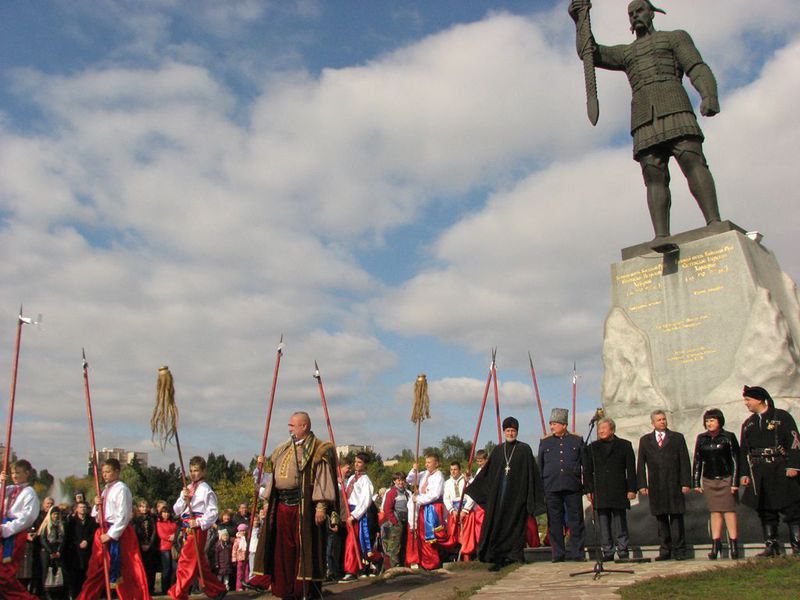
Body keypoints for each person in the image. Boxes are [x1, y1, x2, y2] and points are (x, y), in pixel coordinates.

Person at [568, 0, 721, 241]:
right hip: (643, 116)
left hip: (674, 106)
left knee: (693, 162)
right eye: (630, 14)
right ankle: (661, 236)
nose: (635, 17)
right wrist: (579, 20)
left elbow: (696, 67)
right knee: (653, 175)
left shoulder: (675, 38)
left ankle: (714, 221)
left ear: (651, 13)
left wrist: (708, 94)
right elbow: (590, 53)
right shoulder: (627, 52)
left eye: (639, 11)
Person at [250, 411, 339, 600]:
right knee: (283, 550)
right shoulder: (282, 449)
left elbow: (323, 480)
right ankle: (286, 589)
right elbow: (273, 478)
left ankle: (305, 590)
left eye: (292, 425)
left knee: (304, 550)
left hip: (304, 507)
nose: (289, 428)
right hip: (282, 505)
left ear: (304, 426)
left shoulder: (318, 449)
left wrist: (321, 507)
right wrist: (267, 501)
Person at [465, 416, 545, 571]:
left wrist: (531, 496)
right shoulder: (498, 450)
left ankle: (514, 555)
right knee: (499, 526)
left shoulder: (524, 449)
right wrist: (472, 485)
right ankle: (498, 555)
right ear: (504, 432)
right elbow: (487, 474)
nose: (510, 433)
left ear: (517, 432)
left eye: (513, 431)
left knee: (515, 527)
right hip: (500, 497)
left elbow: (531, 474)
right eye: (508, 430)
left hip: (517, 498)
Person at [77, 458, 151, 600]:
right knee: (97, 568)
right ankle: (87, 596)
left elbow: (123, 516)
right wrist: (96, 504)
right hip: (104, 530)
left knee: (128, 569)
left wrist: (111, 534)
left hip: (118, 533)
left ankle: (134, 596)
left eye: (108, 472)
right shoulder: (105, 490)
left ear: (117, 472)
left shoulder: (121, 489)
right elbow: (96, 515)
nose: (104, 475)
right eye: (103, 472)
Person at [739, 385, 800, 556]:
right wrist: (745, 473)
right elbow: (744, 451)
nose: (746, 403)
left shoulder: (781, 417)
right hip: (759, 472)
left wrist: (793, 466)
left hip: (780, 468)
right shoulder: (748, 423)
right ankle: (771, 545)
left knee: (791, 508)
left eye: (748, 399)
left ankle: (797, 545)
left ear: (759, 399)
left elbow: (795, 441)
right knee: (765, 509)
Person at [168, 455, 227, 600]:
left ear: (203, 471)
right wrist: (183, 498)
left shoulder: (206, 489)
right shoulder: (187, 488)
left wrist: (200, 522)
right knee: (199, 563)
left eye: (196, 470)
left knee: (186, 561)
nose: (193, 473)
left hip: (197, 529)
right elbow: (176, 510)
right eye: (191, 470)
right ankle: (217, 589)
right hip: (186, 527)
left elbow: (213, 512)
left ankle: (179, 593)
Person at [637, 410, 691, 561]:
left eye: (664, 419)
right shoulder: (646, 440)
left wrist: (686, 482)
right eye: (659, 420)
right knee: (661, 519)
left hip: (674, 483)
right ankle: (665, 549)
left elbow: (684, 461)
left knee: (676, 518)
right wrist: (642, 484)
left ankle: (680, 550)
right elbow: (641, 463)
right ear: (653, 423)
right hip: (656, 485)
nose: (662, 422)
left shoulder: (677, 438)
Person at [584, 417, 637, 562]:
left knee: (620, 520)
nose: (600, 431)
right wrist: (588, 490)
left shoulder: (625, 445)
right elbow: (587, 471)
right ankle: (607, 550)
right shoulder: (592, 448)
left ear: (612, 430)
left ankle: (623, 549)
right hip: (600, 489)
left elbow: (631, 470)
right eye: (599, 429)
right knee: (603, 521)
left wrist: (632, 489)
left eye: (604, 428)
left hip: (619, 488)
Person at [539, 408, 587, 562]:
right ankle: (558, 553)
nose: (552, 427)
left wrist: (587, 487)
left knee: (576, 520)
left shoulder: (576, 440)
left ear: (564, 425)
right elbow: (540, 467)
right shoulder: (545, 442)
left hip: (572, 486)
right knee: (554, 522)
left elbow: (584, 465)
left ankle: (577, 552)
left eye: (555, 424)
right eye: (551, 424)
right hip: (551, 487)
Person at [692, 408, 741, 560]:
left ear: (719, 421)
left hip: (725, 478)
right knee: (714, 511)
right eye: (707, 421)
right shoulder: (702, 438)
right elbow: (698, 460)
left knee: (728, 511)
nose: (709, 423)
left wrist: (734, 482)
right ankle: (716, 544)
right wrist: (696, 481)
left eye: (712, 420)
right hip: (709, 479)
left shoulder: (728, 437)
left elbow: (735, 460)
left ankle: (733, 544)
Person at [0, 459, 40, 600]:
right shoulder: (9, 489)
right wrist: (1, 482)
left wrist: (6, 529)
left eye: (18, 473)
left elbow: (27, 518)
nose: (14, 476)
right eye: (12, 473)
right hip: (3, 530)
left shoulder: (29, 492)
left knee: (5, 574)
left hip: (14, 533)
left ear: (27, 473)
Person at [405, 454, 446, 570]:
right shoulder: (425, 474)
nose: (426, 464)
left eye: (429, 462)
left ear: (436, 463)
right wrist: (414, 469)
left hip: (432, 507)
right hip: (423, 506)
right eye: (426, 462)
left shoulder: (439, 476)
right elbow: (410, 480)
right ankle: (424, 560)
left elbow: (434, 495)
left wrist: (418, 499)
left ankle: (432, 562)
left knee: (431, 535)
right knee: (422, 535)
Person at [340, 452, 376, 581]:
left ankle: (351, 569)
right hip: (349, 510)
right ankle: (353, 567)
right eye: (355, 461)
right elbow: (346, 493)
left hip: (357, 514)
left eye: (359, 462)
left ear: (365, 465)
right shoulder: (351, 478)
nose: (356, 464)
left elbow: (365, 501)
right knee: (348, 541)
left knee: (353, 541)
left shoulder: (365, 481)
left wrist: (355, 515)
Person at [63, 500, 97, 598]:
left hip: (88, 552)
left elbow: (94, 533)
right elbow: (69, 536)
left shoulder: (91, 521)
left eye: (84, 507)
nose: (83, 509)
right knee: (76, 576)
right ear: (77, 509)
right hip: (75, 553)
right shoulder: (72, 521)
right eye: (81, 507)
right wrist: (78, 543)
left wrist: (87, 541)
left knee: (87, 575)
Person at [441, 461, 473, 557]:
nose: (453, 471)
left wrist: (465, 510)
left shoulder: (466, 480)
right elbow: (446, 498)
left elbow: (472, 496)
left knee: (466, 533)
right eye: (451, 470)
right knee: (454, 532)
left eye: (455, 469)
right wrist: (452, 510)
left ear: (459, 470)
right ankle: (456, 553)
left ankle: (468, 554)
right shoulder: (447, 483)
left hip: (465, 510)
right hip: (454, 511)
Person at [381, 472, 411, 569]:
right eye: (398, 480)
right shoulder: (392, 493)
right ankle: (395, 565)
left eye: (402, 480)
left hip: (405, 520)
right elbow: (387, 508)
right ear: (394, 481)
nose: (401, 482)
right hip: (396, 522)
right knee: (395, 545)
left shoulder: (406, 493)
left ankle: (402, 564)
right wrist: (394, 521)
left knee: (404, 543)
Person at [133, 499, 159, 594]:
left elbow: (154, 533)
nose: (144, 509)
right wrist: (141, 544)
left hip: (151, 546)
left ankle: (151, 588)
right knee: (142, 568)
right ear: (139, 508)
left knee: (151, 569)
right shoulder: (136, 520)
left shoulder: (152, 518)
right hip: (140, 546)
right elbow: (135, 533)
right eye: (142, 507)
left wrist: (149, 544)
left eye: (145, 507)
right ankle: (142, 589)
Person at [38, 505, 65, 593]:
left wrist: (58, 551)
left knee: (57, 570)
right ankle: (46, 591)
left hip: (57, 550)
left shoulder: (61, 525)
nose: (56, 516)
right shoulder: (46, 525)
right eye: (54, 514)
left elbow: (63, 539)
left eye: (57, 514)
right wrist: (51, 551)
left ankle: (56, 590)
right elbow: (43, 539)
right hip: (47, 551)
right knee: (46, 571)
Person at [155, 505, 178, 595]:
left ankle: (173, 587)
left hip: (173, 548)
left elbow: (177, 531)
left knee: (175, 568)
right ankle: (165, 588)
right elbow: (161, 535)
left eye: (167, 512)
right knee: (166, 569)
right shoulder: (159, 523)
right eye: (164, 512)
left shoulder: (173, 522)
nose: (166, 514)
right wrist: (170, 537)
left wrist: (174, 536)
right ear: (161, 513)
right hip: (164, 548)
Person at [232, 524, 248, 591]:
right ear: (239, 531)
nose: (243, 532)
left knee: (246, 573)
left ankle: (247, 585)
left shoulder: (247, 538)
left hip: (246, 558)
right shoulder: (237, 540)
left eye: (244, 531)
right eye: (241, 531)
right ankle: (239, 586)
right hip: (239, 558)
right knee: (239, 573)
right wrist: (234, 558)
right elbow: (234, 549)